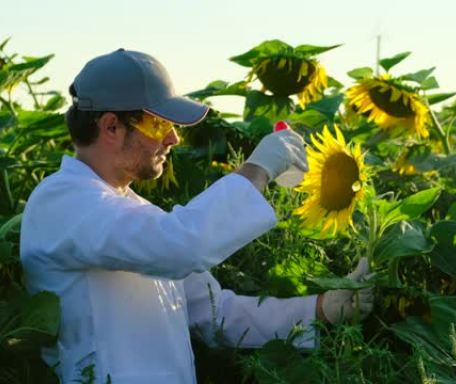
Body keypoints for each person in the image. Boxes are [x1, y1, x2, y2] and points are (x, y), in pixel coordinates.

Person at [19, 48, 373, 384]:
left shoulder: (134, 213)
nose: (173, 138)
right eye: (159, 125)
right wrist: (257, 170)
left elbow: (217, 316)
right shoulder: (62, 201)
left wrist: (322, 308)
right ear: (111, 127)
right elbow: (181, 245)